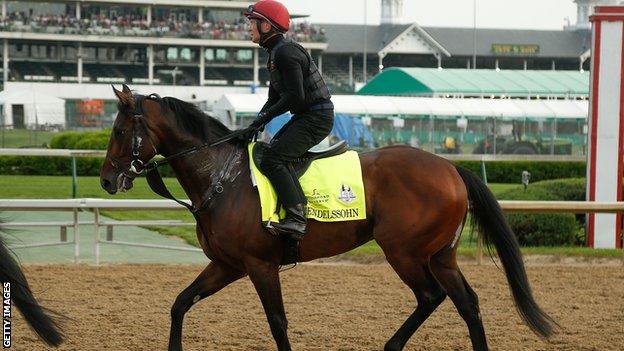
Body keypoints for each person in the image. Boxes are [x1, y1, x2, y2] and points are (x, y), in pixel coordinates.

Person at [242, 0, 334, 239]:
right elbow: (274, 100)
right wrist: (255, 123)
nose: (249, 27)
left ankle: (296, 217)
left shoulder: (286, 52)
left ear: (266, 26)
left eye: (252, 22)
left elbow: (295, 96)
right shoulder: (275, 54)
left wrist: (262, 119)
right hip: (308, 115)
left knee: (274, 158)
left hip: (317, 117)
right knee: (271, 151)